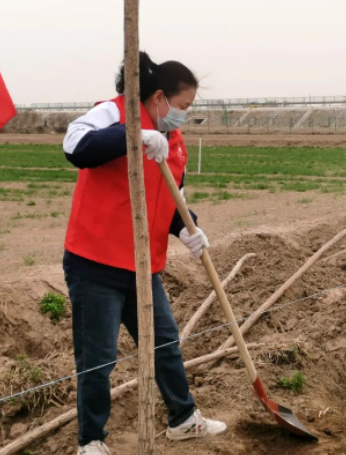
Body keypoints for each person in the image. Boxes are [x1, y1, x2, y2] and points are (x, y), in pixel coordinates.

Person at [62, 51, 226, 455]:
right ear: (158, 98)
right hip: (96, 262)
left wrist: (189, 228)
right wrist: (131, 134)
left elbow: (170, 197)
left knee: (165, 343)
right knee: (98, 359)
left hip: (142, 265)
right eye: (182, 106)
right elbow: (75, 146)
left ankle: (183, 420)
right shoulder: (111, 113)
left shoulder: (173, 140)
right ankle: (92, 441)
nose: (183, 116)